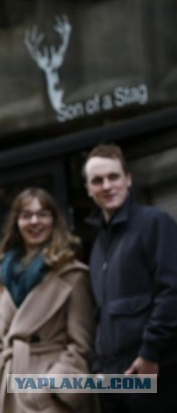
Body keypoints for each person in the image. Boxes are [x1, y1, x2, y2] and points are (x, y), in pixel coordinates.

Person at [83, 143, 177, 412]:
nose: (107, 185)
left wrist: (150, 353)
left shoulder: (155, 222)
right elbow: (102, 314)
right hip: (113, 379)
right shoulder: (99, 245)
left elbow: (172, 292)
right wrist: (99, 369)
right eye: (97, 180)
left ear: (128, 179)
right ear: (89, 190)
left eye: (113, 176)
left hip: (153, 371)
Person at [0, 187, 94, 413]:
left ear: (54, 220)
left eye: (42, 214)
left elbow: (80, 346)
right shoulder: (4, 273)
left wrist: (50, 387)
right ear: (16, 223)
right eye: (26, 215)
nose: (35, 221)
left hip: (47, 398)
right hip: (9, 392)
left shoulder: (71, 274)